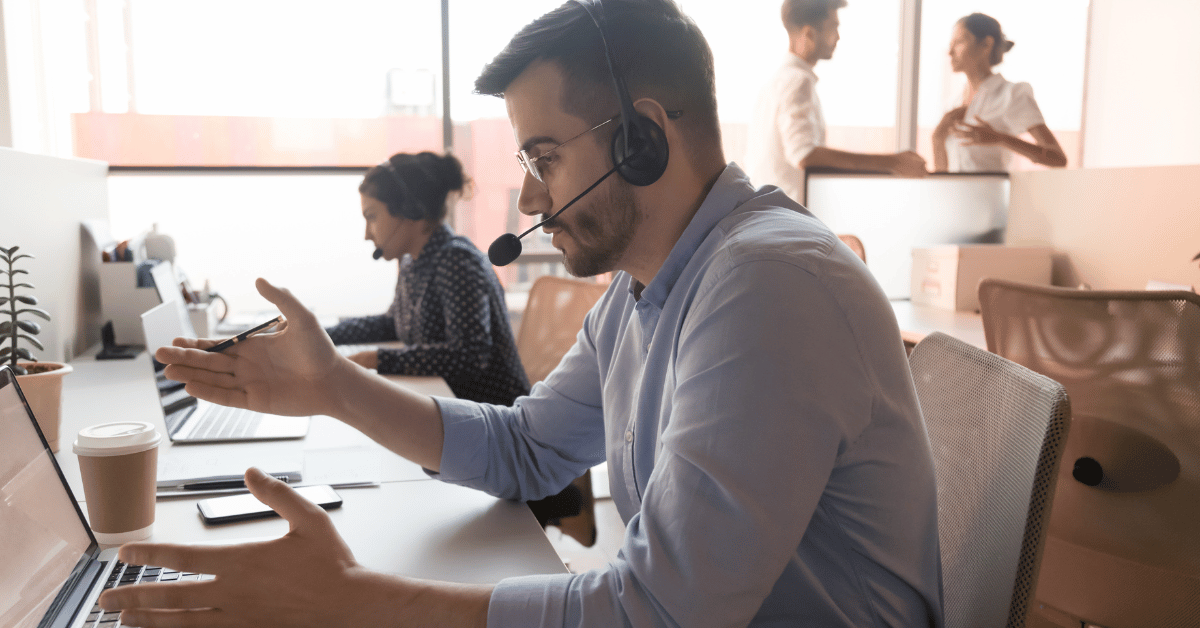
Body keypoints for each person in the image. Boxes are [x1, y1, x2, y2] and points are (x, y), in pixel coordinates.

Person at [100, 1, 945, 626]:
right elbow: (528, 450)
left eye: (545, 156)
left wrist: (356, 603)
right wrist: (335, 390)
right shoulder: (645, 291)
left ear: (642, 138)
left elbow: (660, 613)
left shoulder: (767, 288)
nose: (532, 197)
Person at [325, 151, 528, 407]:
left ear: (411, 211)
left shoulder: (456, 261)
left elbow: (470, 356)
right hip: (449, 404)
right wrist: (323, 334)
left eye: (373, 217)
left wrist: (377, 359)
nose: (367, 234)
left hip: (495, 419)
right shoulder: (413, 261)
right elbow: (392, 323)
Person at [744, 0, 927, 205]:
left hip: (774, 216)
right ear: (810, 34)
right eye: (834, 27)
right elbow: (803, 154)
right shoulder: (797, 81)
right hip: (787, 220)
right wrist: (892, 162)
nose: (838, 37)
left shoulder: (775, 82)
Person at [932, 13, 1067, 172]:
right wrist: (937, 138)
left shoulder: (1012, 95)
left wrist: (1000, 139)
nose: (950, 52)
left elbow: (1058, 158)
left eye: (959, 42)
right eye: (951, 43)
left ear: (986, 44)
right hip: (954, 196)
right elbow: (943, 173)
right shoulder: (952, 103)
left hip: (992, 196)